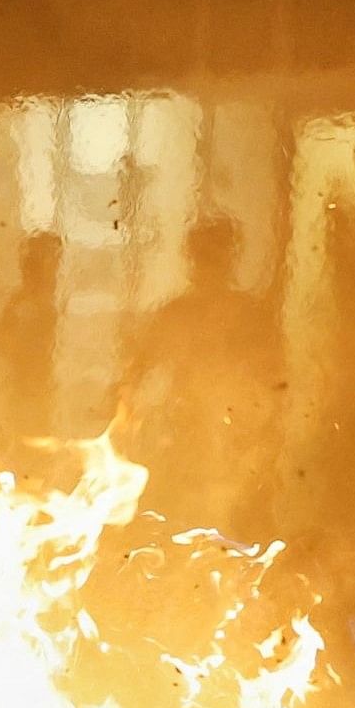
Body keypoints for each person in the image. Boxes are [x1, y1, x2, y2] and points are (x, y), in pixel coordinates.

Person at [119, 215, 285, 524]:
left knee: (233, 524)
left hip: (237, 442)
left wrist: (261, 444)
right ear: (192, 258)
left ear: (228, 258)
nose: (209, 263)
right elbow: (136, 373)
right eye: (204, 255)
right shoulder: (176, 315)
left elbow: (275, 383)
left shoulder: (249, 316)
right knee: (182, 524)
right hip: (185, 439)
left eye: (216, 254)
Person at [0, 232, 65, 439]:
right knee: (29, 432)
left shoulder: (51, 302)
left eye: (56, 259)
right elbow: (4, 341)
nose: (56, 266)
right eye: (50, 259)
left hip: (46, 386)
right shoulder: (24, 305)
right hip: (27, 386)